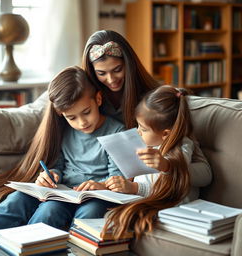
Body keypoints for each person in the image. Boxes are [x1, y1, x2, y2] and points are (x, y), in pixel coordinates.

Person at [0, 66, 125, 235]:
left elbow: (118, 178)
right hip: (63, 191)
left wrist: (101, 185)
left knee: (83, 214)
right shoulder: (64, 130)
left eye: (86, 112)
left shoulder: (117, 132)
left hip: (97, 196)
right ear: (61, 114)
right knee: (19, 201)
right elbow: (58, 164)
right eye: (72, 117)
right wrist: (51, 174)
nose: (81, 123)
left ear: (98, 99)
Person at [82, 29, 212, 200]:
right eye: (101, 73)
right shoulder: (89, 104)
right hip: (110, 187)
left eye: (117, 69)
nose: (111, 79)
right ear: (92, 73)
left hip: (139, 191)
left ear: (129, 64)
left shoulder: (155, 103)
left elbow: (204, 171)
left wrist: (168, 166)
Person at [103, 85, 196, 239]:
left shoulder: (182, 147)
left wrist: (164, 165)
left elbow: (169, 184)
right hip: (143, 198)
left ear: (166, 133)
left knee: (122, 219)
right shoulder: (147, 143)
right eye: (138, 125)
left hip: (170, 205)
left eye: (144, 129)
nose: (138, 131)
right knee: (110, 215)